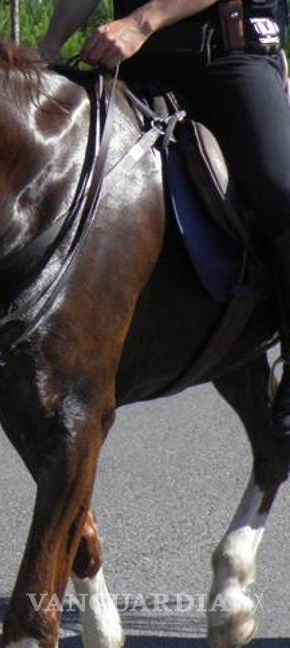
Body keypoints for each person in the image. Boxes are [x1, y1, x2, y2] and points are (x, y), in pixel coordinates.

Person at [40, 1, 290, 432]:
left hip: (226, 59)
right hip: (134, 61)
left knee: (282, 191)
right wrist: (49, 48)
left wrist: (140, 23)